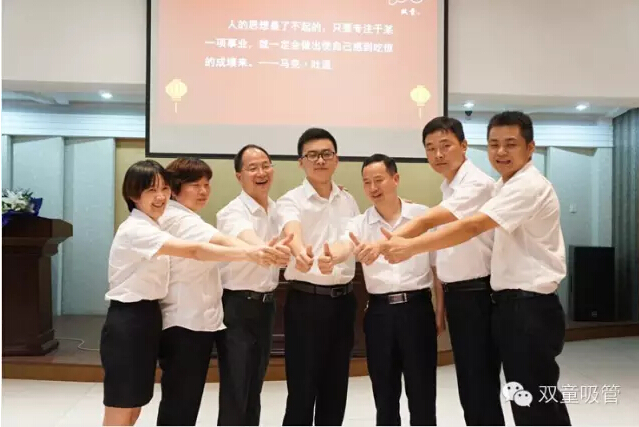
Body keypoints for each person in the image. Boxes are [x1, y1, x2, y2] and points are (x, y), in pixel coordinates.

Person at [380, 111, 571, 426]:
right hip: (511, 303)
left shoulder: (525, 186)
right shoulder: (502, 186)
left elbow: (470, 226)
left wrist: (409, 246)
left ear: (530, 147)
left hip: (528, 304)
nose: (500, 152)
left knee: (532, 399)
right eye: (494, 144)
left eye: (510, 144)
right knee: (516, 397)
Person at [101, 160, 285, 426]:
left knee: (136, 406)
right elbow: (197, 250)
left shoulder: (156, 223)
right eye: (152, 190)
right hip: (143, 320)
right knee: (130, 405)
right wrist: (252, 253)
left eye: (163, 189)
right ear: (133, 194)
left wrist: (256, 251)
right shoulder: (148, 225)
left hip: (151, 317)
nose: (160, 196)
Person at [155, 157, 291, 426]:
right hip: (186, 322)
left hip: (202, 320)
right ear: (174, 188)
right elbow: (217, 242)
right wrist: (254, 252)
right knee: (187, 401)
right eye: (195, 185)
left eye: (206, 185)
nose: (203, 191)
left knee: (244, 389)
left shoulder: (188, 217)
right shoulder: (179, 218)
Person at [387, 117, 504, 425]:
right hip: (461, 295)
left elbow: (432, 222)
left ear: (464, 146)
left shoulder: (476, 184)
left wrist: (397, 241)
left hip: (478, 293)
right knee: (470, 382)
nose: (437, 154)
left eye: (445, 146)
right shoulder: (449, 187)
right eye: (430, 148)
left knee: (479, 384)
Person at [323, 154, 443, 425]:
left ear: (395, 179)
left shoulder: (422, 216)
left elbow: (437, 268)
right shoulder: (360, 223)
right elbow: (345, 245)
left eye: (378, 180)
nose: (373, 188)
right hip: (379, 313)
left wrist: (439, 311)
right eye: (367, 182)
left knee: (423, 392)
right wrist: (333, 256)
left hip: (418, 308)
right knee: (384, 395)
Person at [276, 128, 360, 426]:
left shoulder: (348, 200)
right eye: (312, 155)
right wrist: (300, 252)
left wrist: (335, 256)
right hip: (306, 303)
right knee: (302, 388)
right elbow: (291, 229)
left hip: (344, 301)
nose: (320, 160)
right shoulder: (290, 200)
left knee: (336, 388)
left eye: (326, 154)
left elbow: (353, 238)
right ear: (301, 162)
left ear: (336, 159)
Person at [215, 145, 290, 425]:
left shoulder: (277, 209)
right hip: (237, 307)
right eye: (252, 168)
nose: (261, 172)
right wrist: (264, 250)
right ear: (239, 176)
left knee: (255, 385)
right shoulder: (231, 212)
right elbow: (248, 239)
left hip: (266, 306)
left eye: (265, 165)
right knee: (236, 388)